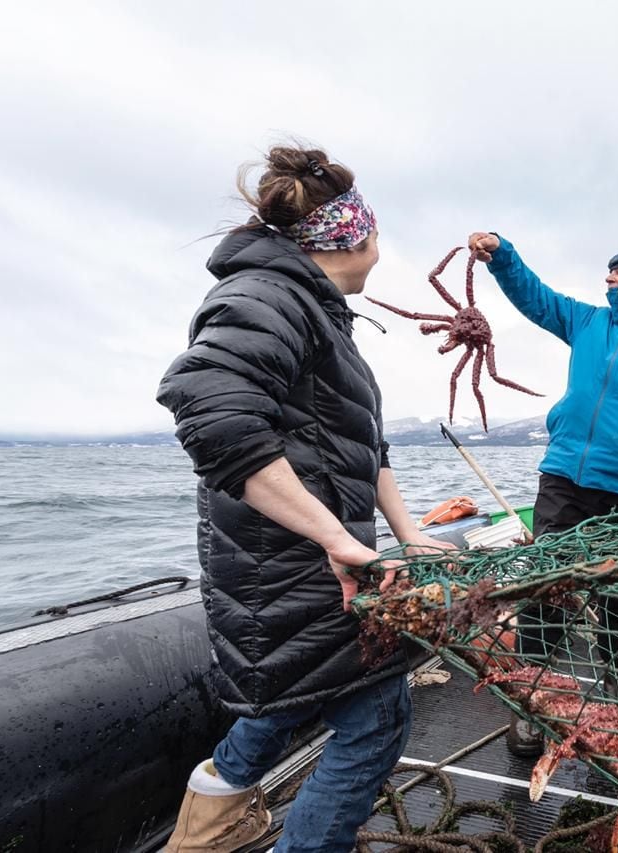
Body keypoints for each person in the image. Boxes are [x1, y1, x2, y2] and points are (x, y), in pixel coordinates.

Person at [156, 145, 453, 853]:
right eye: (377, 236)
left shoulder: (316, 311)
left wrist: (407, 532)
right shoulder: (266, 297)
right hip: (288, 570)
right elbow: (211, 410)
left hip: (308, 570)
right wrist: (336, 537)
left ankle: (208, 823)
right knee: (376, 718)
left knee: (293, 692)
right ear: (354, 238)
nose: (381, 252)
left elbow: (363, 444)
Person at [467, 231, 618, 754]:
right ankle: (531, 700)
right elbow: (535, 297)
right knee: (546, 586)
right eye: (608, 270)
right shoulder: (586, 320)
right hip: (564, 476)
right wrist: (502, 257)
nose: (608, 278)